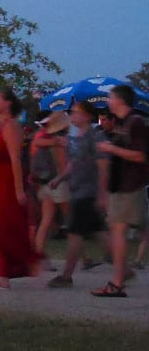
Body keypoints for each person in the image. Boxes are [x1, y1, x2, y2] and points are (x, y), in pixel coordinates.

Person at [46, 101, 111, 288]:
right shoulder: (77, 138)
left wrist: (102, 194)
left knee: (75, 233)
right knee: (99, 233)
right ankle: (124, 269)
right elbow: (73, 164)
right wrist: (60, 178)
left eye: (76, 112)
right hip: (78, 189)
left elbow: (103, 166)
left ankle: (66, 276)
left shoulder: (95, 135)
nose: (72, 116)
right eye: (72, 112)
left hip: (87, 192)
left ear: (87, 116)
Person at [91, 84, 147, 297]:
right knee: (118, 232)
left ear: (120, 100)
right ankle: (122, 274)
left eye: (110, 98)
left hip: (129, 186)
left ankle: (117, 281)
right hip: (120, 186)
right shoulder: (122, 124)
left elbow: (141, 156)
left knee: (119, 233)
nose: (108, 102)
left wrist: (110, 148)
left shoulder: (136, 123)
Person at [0, 89, 41, 289]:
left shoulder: (11, 126)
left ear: (7, 103)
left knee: (3, 227)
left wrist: (18, 190)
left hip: (8, 185)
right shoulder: (1, 127)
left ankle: (28, 261)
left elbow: (16, 159)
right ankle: (5, 273)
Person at [30, 111, 70, 267]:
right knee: (71, 220)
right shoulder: (56, 140)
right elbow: (63, 165)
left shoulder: (42, 137)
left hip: (43, 183)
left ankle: (38, 256)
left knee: (45, 221)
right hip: (56, 183)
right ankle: (86, 257)